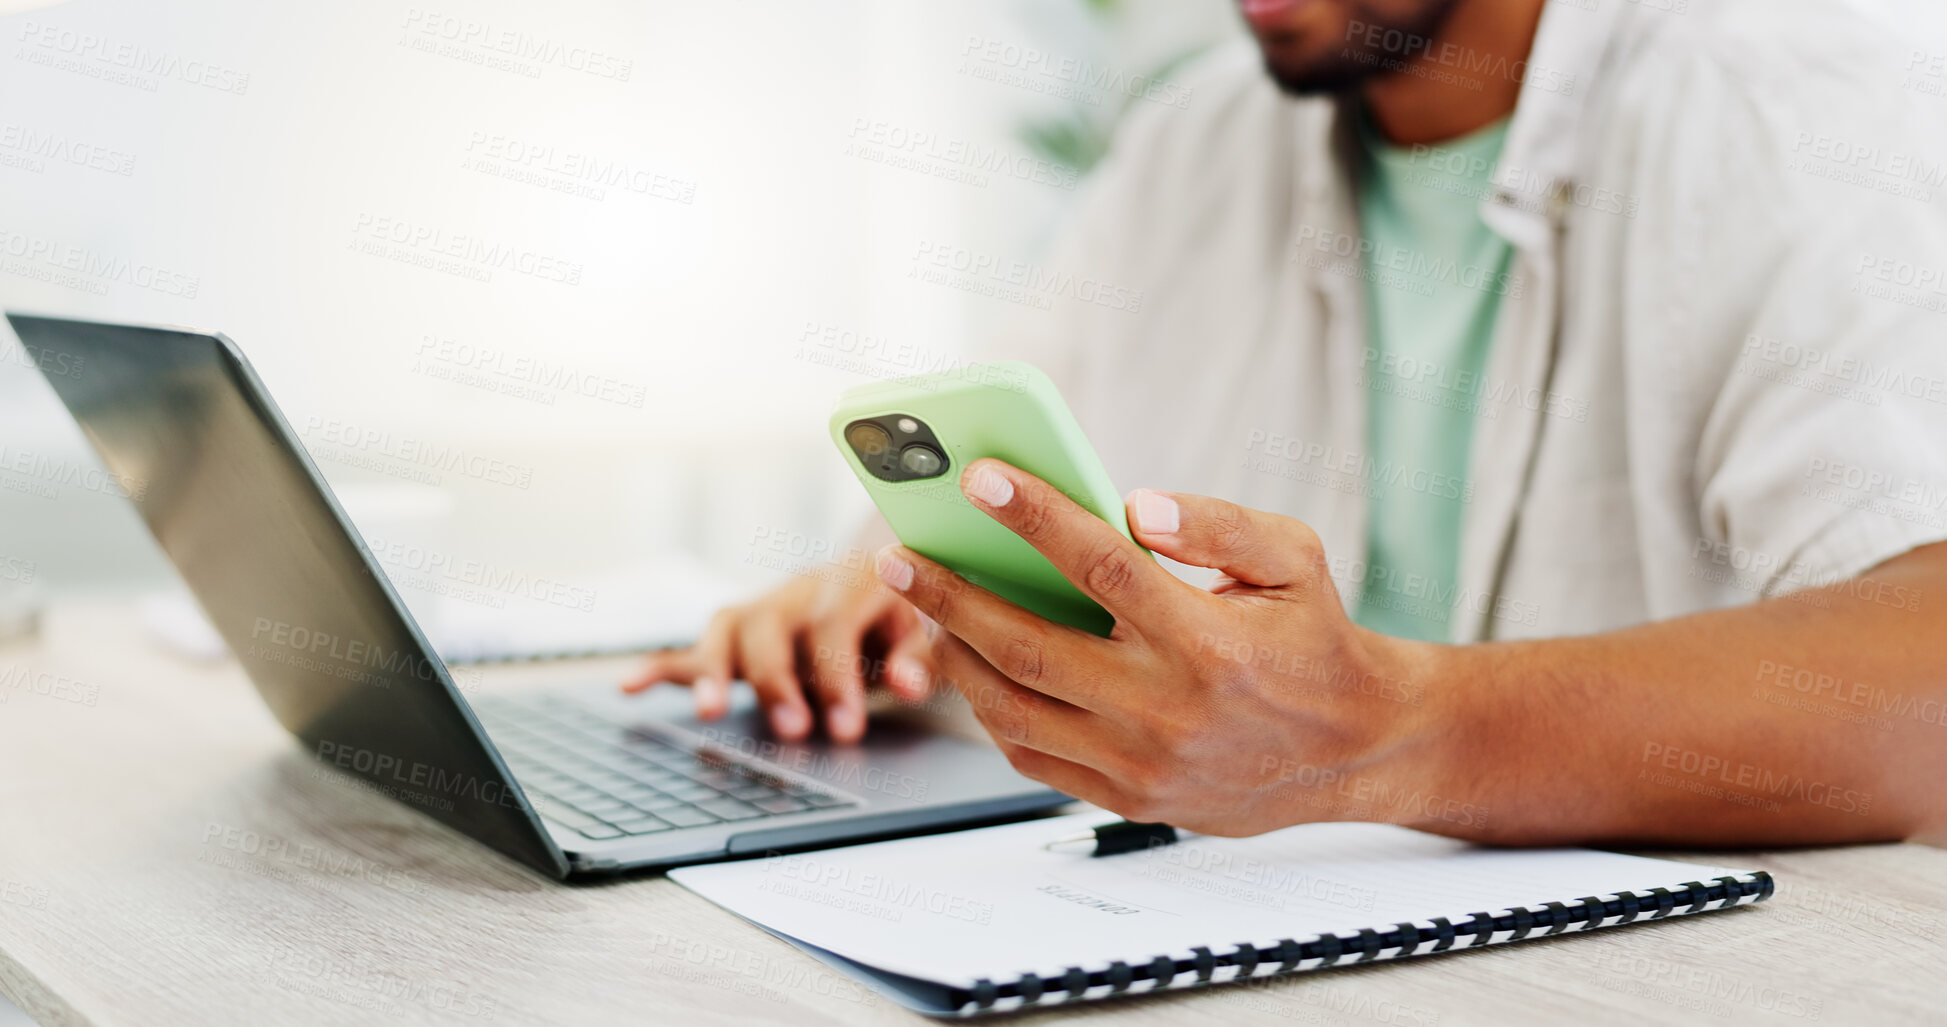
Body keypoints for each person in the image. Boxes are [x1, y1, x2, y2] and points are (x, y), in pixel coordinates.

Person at [629, 0, 1947, 846]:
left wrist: (1396, 730)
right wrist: (877, 605)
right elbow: (986, 487)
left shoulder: (1816, 103)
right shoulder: (1194, 142)